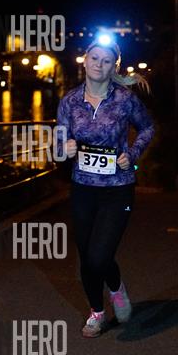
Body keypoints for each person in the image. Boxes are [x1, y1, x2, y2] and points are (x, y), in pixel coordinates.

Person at [57, 36, 154, 338]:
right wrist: (64, 148)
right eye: (95, 58)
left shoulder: (125, 99)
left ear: (114, 67)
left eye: (106, 60)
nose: (99, 64)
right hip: (83, 189)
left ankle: (116, 287)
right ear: (85, 61)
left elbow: (147, 127)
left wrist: (132, 155)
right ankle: (96, 313)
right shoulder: (69, 102)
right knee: (87, 256)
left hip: (117, 188)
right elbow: (58, 142)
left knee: (99, 256)